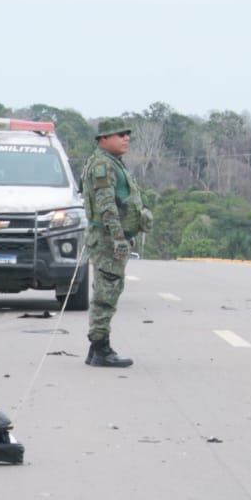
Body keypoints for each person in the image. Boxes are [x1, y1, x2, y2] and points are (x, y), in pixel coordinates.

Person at [81, 119, 151, 367]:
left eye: (127, 134)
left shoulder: (112, 162)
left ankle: (97, 348)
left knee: (108, 289)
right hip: (106, 238)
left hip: (107, 236)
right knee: (106, 292)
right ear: (104, 138)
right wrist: (118, 237)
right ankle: (101, 349)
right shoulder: (103, 164)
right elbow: (106, 204)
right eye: (120, 135)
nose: (126, 138)